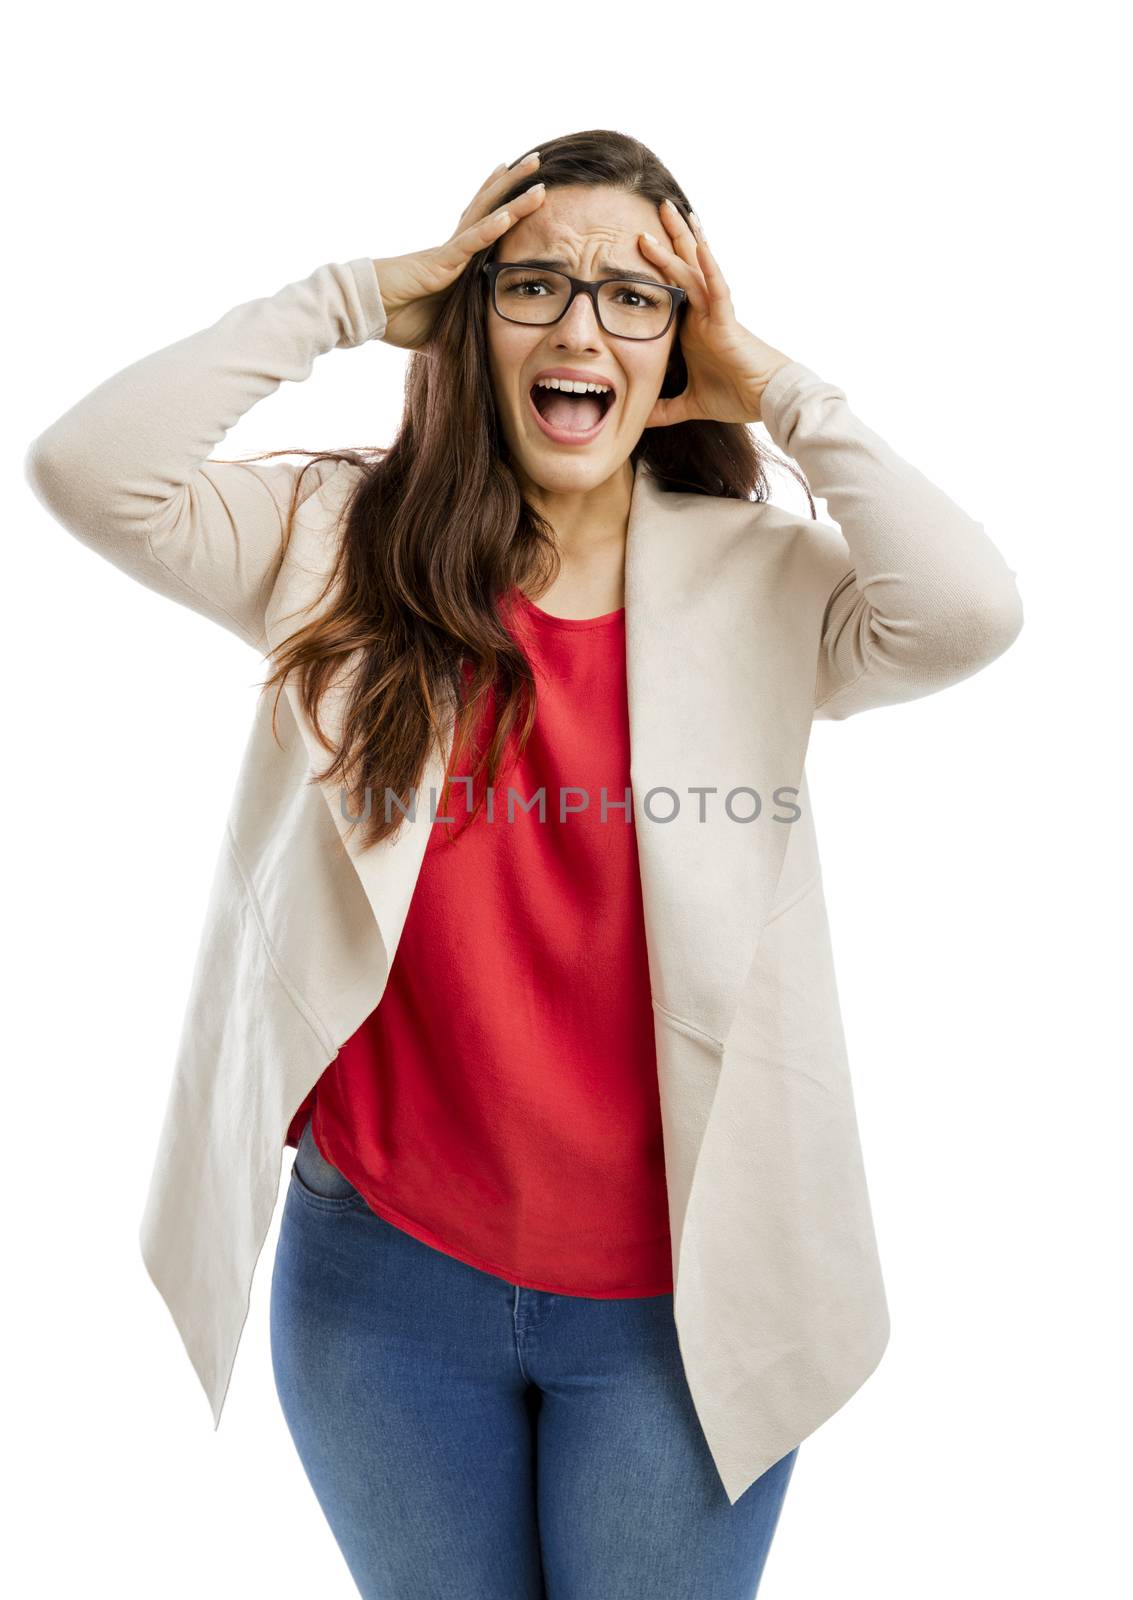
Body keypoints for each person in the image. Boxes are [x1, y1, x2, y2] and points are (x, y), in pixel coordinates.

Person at [24, 128, 1023, 1598]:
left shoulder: (765, 577)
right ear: (468, 321)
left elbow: (970, 611)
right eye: (534, 285)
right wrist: (360, 296)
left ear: (680, 343)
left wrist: (784, 391)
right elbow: (86, 468)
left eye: (633, 295)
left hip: (681, 1307)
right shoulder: (334, 544)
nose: (580, 325)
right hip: (383, 1292)